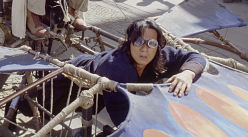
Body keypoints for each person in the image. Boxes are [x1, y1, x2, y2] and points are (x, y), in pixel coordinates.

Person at [13, 19, 206, 130]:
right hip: (73, 79)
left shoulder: (161, 56)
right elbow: (122, 118)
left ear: (159, 46)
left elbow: (195, 56)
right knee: (33, 106)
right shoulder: (117, 67)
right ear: (129, 43)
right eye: (138, 42)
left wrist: (188, 73)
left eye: (151, 43)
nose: (144, 49)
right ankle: (13, 106)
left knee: (95, 106)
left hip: (102, 91)